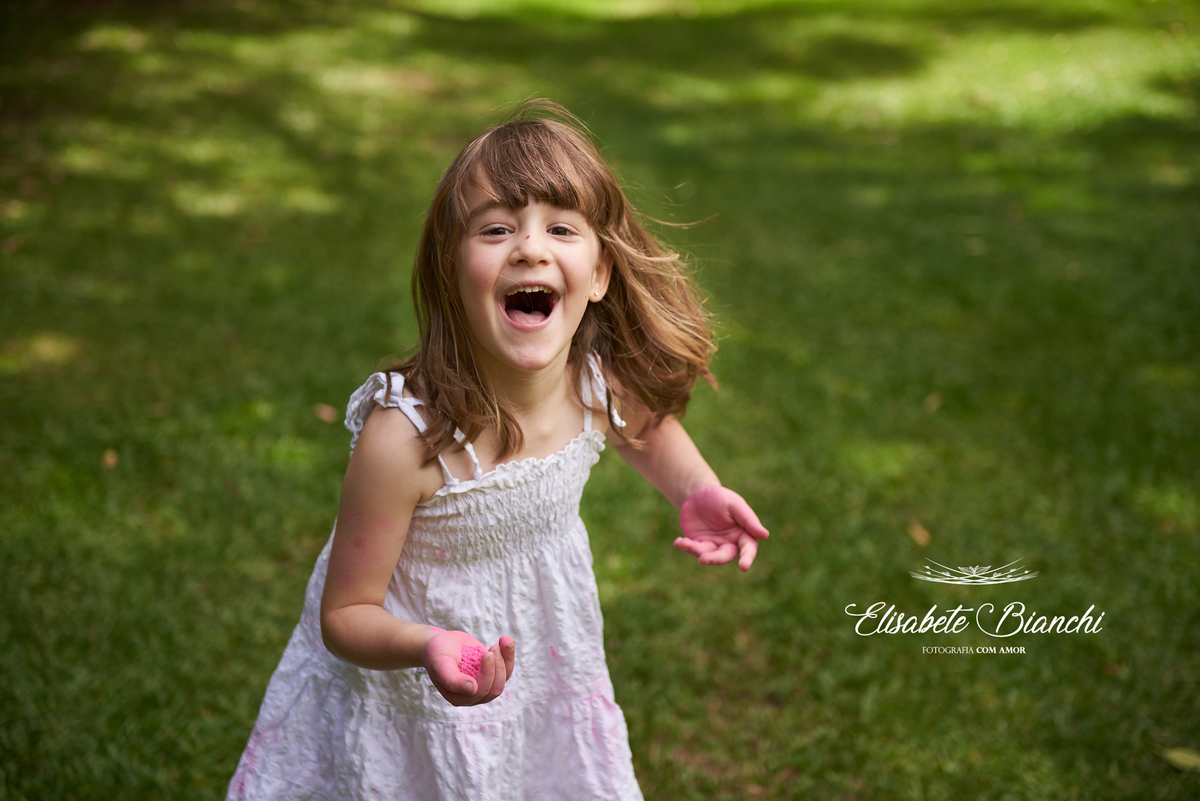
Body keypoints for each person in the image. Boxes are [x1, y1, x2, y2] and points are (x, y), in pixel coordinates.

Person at [226, 101, 769, 801]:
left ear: (600, 273)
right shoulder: (407, 440)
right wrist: (425, 645)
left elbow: (646, 425)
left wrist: (696, 491)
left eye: (562, 228)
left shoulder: (593, 379)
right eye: (497, 228)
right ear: (453, 271)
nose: (531, 248)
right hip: (408, 689)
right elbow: (344, 615)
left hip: (543, 652)